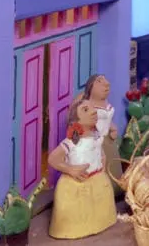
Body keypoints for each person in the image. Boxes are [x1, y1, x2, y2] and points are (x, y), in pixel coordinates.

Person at [48, 99, 117, 238]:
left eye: (93, 107)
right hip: (76, 185)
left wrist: (102, 157)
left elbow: (97, 148)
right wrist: (70, 169)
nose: (93, 111)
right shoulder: (73, 141)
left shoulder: (96, 135)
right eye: (86, 109)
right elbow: (53, 159)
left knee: (99, 209)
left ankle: (100, 223)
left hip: (96, 178)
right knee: (78, 213)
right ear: (76, 119)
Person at [77, 74, 121, 194]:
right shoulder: (88, 106)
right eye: (99, 82)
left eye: (105, 81)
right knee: (100, 166)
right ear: (91, 87)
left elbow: (107, 118)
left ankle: (115, 190)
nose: (106, 84)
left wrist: (112, 127)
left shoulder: (106, 104)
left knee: (113, 166)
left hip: (108, 140)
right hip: (96, 141)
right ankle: (103, 192)